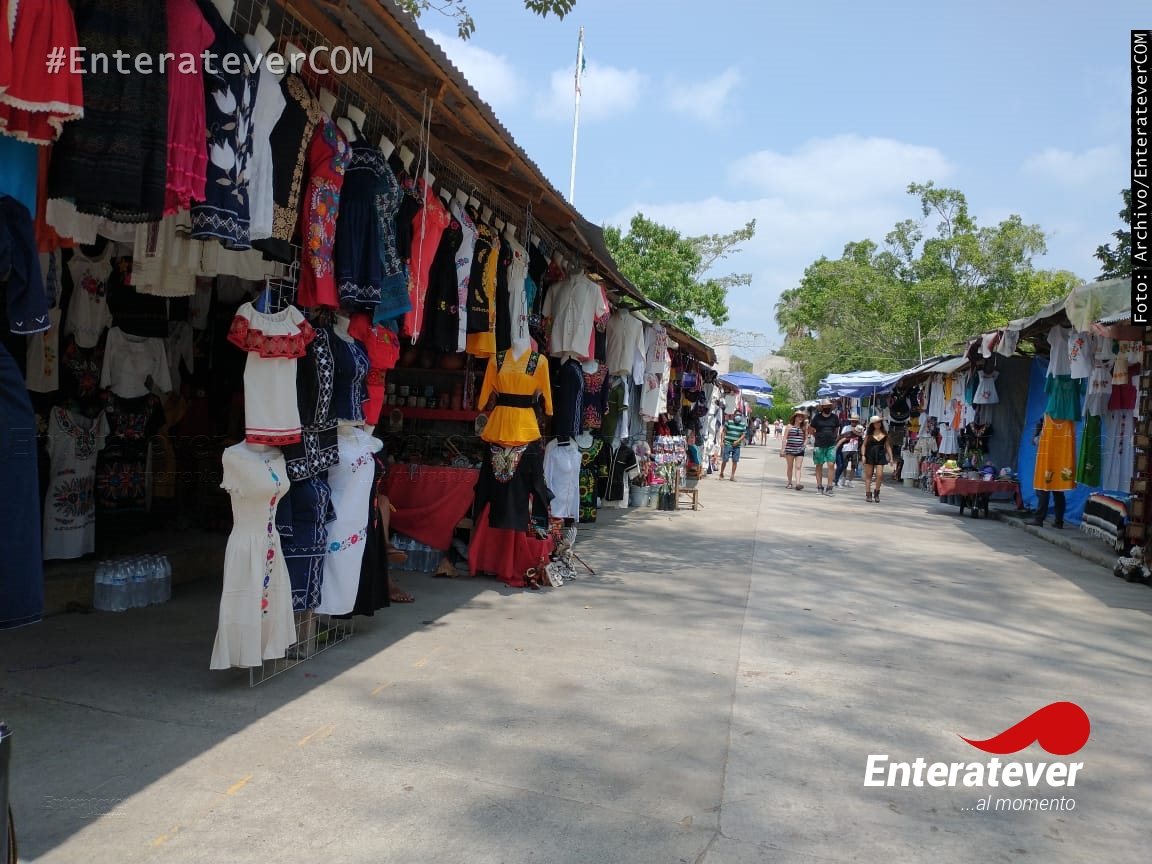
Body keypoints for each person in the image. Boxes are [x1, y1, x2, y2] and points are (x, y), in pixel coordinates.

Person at [808, 398, 841, 496]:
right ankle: (819, 486)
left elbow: (836, 430)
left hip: (831, 445)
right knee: (819, 465)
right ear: (822, 407)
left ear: (831, 407)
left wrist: (834, 438)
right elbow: (811, 429)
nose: (827, 408)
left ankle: (829, 487)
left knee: (831, 465)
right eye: (825, 406)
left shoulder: (834, 417)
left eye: (828, 406)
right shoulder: (817, 418)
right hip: (819, 445)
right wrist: (817, 436)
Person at [862, 415, 895, 503]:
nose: (878, 424)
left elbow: (887, 446)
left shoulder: (884, 433)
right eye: (876, 422)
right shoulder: (869, 434)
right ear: (873, 424)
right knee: (868, 475)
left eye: (879, 422)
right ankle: (868, 494)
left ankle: (877, 493)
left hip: (880, 455)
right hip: (870, 455)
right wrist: (863, 455)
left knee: (879, 475)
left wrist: (891, 458)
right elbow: (864, 445)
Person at [780, 409, 808, 489]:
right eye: (799, 416)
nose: (800, 418)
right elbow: (784, 438)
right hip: (790, 449)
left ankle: (798, 484)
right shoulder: (789, 426)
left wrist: (804, 446)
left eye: (801, 417)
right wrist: (783, 449)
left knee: (798, 467)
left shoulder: (804, 428)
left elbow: (806, 438)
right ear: (795, 417)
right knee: (790, 466)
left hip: (800, 450)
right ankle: (789, 483)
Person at [834, 416, 862, 488]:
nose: (854, 423)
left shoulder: (860, 428)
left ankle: (850, 481)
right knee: (844, 465)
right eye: (853, 421)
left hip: (855, 449)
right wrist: (835, 449)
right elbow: (842, 438)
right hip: (845, 449)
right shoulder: (846, 428)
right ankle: (843, 478)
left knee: (853, 466)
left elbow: (862, 438)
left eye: (856, 421)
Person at [719, 410, 747, 481]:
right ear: (734, 415)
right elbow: (723, 432)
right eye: (737, 414)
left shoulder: (743, 424)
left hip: (737, 445)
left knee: (735, 461)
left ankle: (732, 476)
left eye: (740, 415)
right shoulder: (729, 422)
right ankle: (721, 473)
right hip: (728, 443)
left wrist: (738, 441)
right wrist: (722, 441)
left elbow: (743, 435)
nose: (738, 416)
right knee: (725, 460)